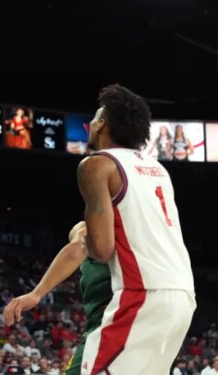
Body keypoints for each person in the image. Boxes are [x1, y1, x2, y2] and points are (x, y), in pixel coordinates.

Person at [70, 84, 195, 374]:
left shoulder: (95, 165)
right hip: (183, 295)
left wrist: (79, 236)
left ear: (103, 124)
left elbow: (102, 250)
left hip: (142, 292)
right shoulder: (157, 168)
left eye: (96, 116)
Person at [3, 222, 109, 375]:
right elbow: (78, 245)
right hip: (104, 321)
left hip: (117, 317)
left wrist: (36, 293)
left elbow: (78, 247)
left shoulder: (124, 224)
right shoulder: (86, 228)